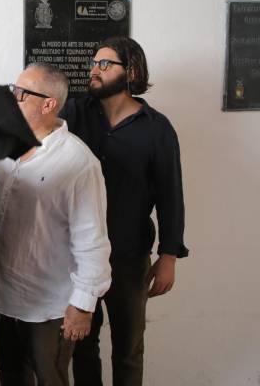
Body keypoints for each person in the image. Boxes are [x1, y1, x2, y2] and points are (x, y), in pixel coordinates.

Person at [61, 37, 188, 386]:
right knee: (82, 347)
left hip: (129, 258)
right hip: (79, 257)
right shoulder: (73, 114)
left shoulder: (157, 128)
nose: (94, 70)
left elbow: (170, 195)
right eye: (93, 63)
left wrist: (168, 256)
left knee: (128, 350)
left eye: (105, 64)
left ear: (131, 72)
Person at [0, 63, 112, 386]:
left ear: (48, 104)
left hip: (49, 304)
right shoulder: (0, 147)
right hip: (1, 295)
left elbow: (92, 241)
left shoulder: (79, 162)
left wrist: (83, 306)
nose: (13, 99)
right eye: (13, 90)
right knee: (10, 376)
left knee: (50, 379)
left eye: (21, 94)